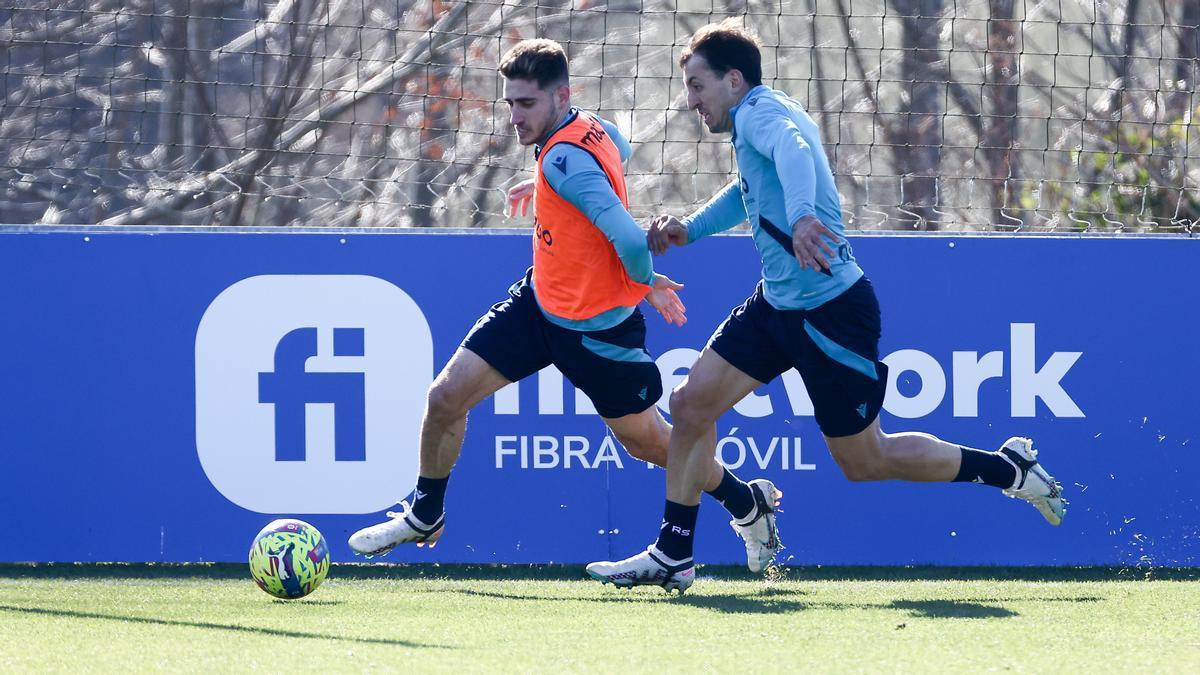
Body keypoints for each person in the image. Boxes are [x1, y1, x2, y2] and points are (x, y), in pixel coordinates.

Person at [585, 19, 1065, 593]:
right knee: (690, 407)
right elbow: (749, 191)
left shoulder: (764, 116)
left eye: (696, 85)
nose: (690, 100)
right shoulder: (753, 118)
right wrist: (690, 229)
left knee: (866, 461)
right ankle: (675, 553)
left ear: (733, 80)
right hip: (777, 307)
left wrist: (806, 214)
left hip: (832, 312)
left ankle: (1008, 469)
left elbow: (790, 150)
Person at [348, 39, 783, 577]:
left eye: (526, 103)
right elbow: (614, 152)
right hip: (539, 306)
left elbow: (626, 236)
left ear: (560, 96)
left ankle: (746, 502)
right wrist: (549, 185)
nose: (514, 116)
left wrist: (645, 282)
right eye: (509, 103)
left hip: (597, 331)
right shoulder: (583, 132)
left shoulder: (563, 159)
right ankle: (425, 512)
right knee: (445, 397)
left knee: (651, 443)